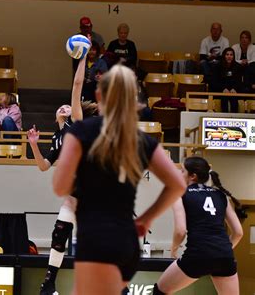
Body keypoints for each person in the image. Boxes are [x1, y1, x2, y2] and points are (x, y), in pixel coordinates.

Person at [53, 64, 186, 294]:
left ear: (98, 95)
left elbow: (59, 186)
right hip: (127, 243)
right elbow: (178, 185)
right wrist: (147, 219)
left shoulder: (82, 131)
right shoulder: (142, 139)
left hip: (97, 239)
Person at [28, 56, 98, 295]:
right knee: (59, 233)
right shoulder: (57, 138)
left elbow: (77, 87)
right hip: (74, 193)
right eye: (63, 106)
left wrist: (83, 56)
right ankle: (49, 284)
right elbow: (44, 166)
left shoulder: (76, 125)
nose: (64, 107)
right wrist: (34, 145)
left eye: (68, 106)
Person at [153, 157, 243, 295]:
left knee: (160, 291)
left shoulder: (179, 194)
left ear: (192, 176)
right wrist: (221, 250)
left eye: (182, 171)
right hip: (225, 255)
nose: (179, 174)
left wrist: (174, 250)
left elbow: (180, 231)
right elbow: (238, 233)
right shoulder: (221, 195)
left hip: (198, 254)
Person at [210, 47, 245, 113]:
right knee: (224, 97)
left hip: (233, 91)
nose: (229, 56)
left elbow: (239, 81)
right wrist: (223, 88)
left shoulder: (238, 67)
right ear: (224, 56)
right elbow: (215, 81)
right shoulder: (217, 66)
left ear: (233, 56)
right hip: (221, 90)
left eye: (231, 55)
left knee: (234, 98)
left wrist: (234, 88)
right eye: (227, 54)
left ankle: (235, 118)